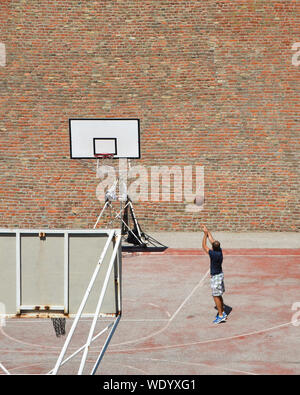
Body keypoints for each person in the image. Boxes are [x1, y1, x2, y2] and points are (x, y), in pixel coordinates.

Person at [201, 224, 227, 324]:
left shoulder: (213, 254)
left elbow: (204, 246)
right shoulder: (219, 251)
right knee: (219, 294)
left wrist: (204, 235)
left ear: (213, 248)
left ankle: (221, 316)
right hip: (220, 274)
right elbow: (212, 240)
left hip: (216, 276)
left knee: (215, 295)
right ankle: (223, 312)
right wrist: (207, 232)